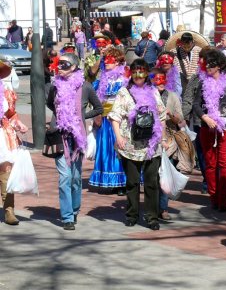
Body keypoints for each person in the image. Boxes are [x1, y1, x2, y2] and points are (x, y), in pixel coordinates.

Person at [108, 59, 167, 230]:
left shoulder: (154, 92)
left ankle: (152, 217)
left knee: (151, 183)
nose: (138, 75)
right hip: (130, 146)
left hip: (151, 146)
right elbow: (114, 116)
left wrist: (162, 138)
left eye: (142, 71)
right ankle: (132, 214)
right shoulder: (123, 93)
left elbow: (162, 117)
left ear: (147, 73)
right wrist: (118, 137)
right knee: (132, 182)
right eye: (135, 71)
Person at [46, 53, 103, 230]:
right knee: (65, 177)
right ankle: (67, 217)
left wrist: (81, 115)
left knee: (76, 178)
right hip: (59, 135)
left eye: (64, 64)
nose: (60, 67)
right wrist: (61, 117)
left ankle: (75, 210)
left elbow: (99, 107)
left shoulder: (85, 87)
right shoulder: (55, 86)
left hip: (78, 137)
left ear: (74, 67)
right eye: (59, 64)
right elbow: (50, 104)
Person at [191, 49, 226, 211]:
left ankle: (224, 199)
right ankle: (214, 197)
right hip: (207, 129)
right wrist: (205, 118)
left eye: (211, 64)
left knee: (225, 163)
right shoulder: (203, 84)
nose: (208, 67)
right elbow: (196, 104)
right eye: (206, 65)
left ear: (219, 66)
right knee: (210, 164)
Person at [89, 46, 128, 195]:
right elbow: (96, 97)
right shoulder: (102, 79)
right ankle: (110, 181)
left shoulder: (124, 79)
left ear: (118, 62)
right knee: (107, 150)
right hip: (105, 121)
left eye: (110, 60)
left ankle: (122, 183)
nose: (107, 63)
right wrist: (96, 115)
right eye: (106, 60)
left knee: (120, 149)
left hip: (120, 121)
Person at [152, 67, 185, 220]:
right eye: (157, 79)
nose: (160, 83)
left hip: (169, 140)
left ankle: (163, 208)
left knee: (165, 174)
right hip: (150, 140)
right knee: (151, 175)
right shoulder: (147, 96)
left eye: (162, 79)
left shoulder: (173, 96)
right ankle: (151, 207)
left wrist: (171, 114)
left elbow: (181, 120)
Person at [0, 61, 28, 225]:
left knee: (6, 172)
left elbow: (10, 114)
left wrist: (19, 124)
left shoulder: (6, 92)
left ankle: (9, 210)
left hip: (3, 133)